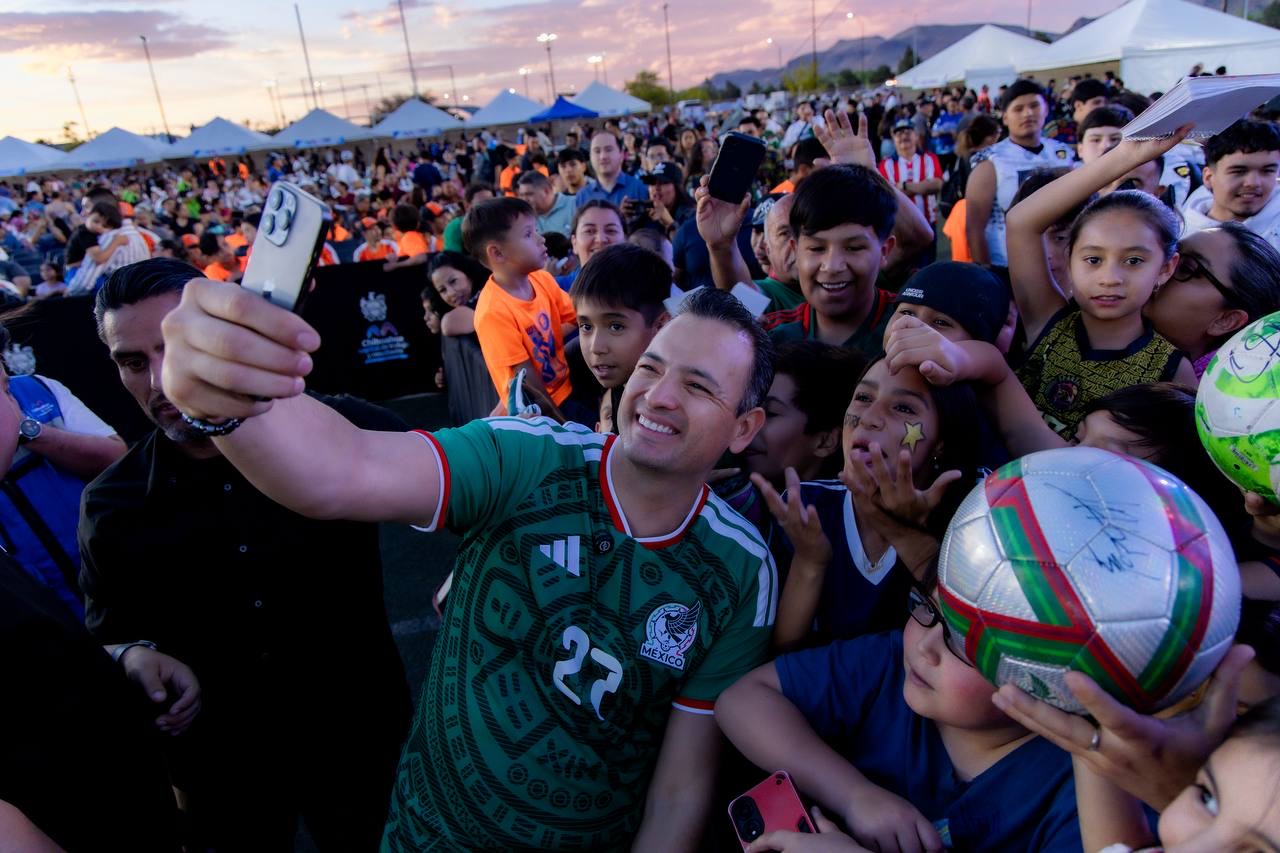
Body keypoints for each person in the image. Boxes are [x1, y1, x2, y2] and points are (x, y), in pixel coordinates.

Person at [158, 280, 781, 851]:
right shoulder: (528, 456)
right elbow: (343, 467)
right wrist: (220, 397)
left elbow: (680, 790)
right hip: (430, 836)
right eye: (651, 366)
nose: (659, 395)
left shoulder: (741, 570)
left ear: (744, 427)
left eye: (697, 387)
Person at [83, 258, 412, 851]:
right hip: (223, 768)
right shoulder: (113, 503)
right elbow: (109, 632)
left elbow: (464, 483)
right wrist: (133, 656)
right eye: (133, 362)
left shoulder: (342, 428)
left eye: (174, 346)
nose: (160, 380)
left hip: (361, 736)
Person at [715, 575, 1082, 852]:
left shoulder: (1078, 791)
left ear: (1046, 682)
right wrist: (854, 795)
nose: (925, 646)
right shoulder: (890, 666)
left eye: (961, 642)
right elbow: (740, 701)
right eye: (929, 609)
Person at [755, 357, 981, 650]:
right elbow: (783, 655)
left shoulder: (973, 513)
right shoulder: (808, 506)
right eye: (863, 397)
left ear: (942, 440)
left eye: (903, 408)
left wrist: (909, 536)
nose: (870, 418)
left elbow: (975, 640)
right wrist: (809, 561)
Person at [1007, 130, 1197, 440]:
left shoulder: (1171, 369)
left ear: (1165, 269)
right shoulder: (1048, 321)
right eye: (1093, 259)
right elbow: (1020, 221)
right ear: (1070, 259)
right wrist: (1124, 157)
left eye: (1133, 261)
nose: (1110, 278)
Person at [0, 339, 126, 618]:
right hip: (37, 611)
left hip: (110, 579)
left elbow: (117, 460)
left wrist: (25, 429)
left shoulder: (37, 389)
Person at [464, 196, 578, 420]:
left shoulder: (542, 279)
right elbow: (528, 381)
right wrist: (562, 426)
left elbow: (577, 316)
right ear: (497, 253)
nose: (541, 239)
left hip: (566, 385)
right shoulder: (493, 312)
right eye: (528, 234)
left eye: (536, 230)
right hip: (540, 412)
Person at [966, 79, 1076, 270]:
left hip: (1063, 262)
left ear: (1046, 109)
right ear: (1005, 117)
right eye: (1018, 109)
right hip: (1007, 264)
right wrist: (986, 272)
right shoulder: (991, 160)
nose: (1028, 113)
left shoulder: (1062, 153)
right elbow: (975, 228)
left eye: (1034, 106)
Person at [570, 243, 671, 432]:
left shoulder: (665, 408)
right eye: (586, 327)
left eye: (616, 327)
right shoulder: (623, 381)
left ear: (660, 326)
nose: (596, 347)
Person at [1182, 119, 1280, 252]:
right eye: (1239, 171)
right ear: (1208, 177)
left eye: (1267, 171)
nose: (1253, 183)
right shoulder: (1180, 238)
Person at [424, 251, 498, 425]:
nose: (451, 293)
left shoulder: (488, 292)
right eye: (442, 290)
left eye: (453, 281)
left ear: (466, 272)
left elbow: (448, 324)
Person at [879, 119, 944, 264]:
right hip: (899, 229)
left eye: (908, 132)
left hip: (928, 224)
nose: (904, 136)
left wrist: (903, 186)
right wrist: (922, 187)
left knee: (928, 267)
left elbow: (936, 185)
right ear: (893, 138)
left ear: (916, 135)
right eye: (899, 133)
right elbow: (887, 195)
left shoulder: (929, 158)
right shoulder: (886, 164)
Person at [558, 199, 626, 291]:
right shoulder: (553, 289)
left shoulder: (642, 288)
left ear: (625, 240)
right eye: (589, 231)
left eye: (611, 230)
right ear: (574, 242)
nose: (601, 239)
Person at [576, 130, 649, 211]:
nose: (603, 156)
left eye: (608, 150)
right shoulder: (582, 197)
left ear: (621, 155)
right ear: (590, 157)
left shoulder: (640, 189)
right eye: (597, 151)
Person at [638, 161, 695, 235]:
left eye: (663, 182)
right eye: (652, 182)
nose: (656, 187)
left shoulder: (691, 216)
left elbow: (691, 241)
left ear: (677, 188)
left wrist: (670, 224)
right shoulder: (645, 215)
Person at [516, 169, 576, 237]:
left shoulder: (574, 204)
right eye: (521, 195)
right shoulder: (524, 218)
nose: (524, 199)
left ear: (546, 191)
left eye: (529, 194)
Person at [442, 182, 495, 253]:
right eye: (481, 204)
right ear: (467, 206)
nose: (488, 207)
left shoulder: (499, 222)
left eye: (491, 202)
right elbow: (452, 258)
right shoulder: (456, 228)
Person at [387, 202, 431, 270]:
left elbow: (422, 257)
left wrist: (396, 265)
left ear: (394, 226)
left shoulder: (409, 236)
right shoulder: (409, 236)